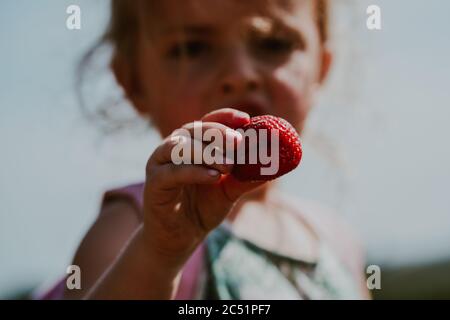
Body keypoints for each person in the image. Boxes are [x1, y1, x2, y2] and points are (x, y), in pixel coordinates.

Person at [47, 0, 370, 300]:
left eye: (274, 44)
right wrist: (161, 256)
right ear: (133, 82)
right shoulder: (140, 228)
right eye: (193, 48)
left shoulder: (338, 244)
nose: (240, 75)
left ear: (322, 67)